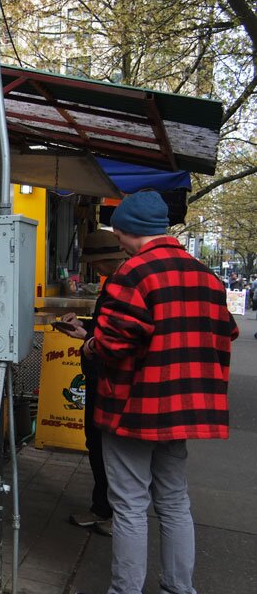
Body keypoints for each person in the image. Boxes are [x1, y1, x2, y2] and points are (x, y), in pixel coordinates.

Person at [79, 190, 238, 594]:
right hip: (185, 407)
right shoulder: (206, 275)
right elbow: (227, 332)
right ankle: (179, 589)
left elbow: (114, 341)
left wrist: (91, 343)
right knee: (173, 500)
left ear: (125, 231)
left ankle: (126, 590)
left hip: (135, 405)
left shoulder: (131, 274)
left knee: (130, 505)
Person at [58, 229, 128, 537]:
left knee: (103, 446)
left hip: (108, 376)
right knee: (96, 444)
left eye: (96, 263)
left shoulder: (122, 285)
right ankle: (102, 507)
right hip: (101, 374)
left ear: (106, 260)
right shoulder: (114, 283)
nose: (94, 269)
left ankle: (112, 512)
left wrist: (88, 337)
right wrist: (84, 328)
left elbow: (118, 336)